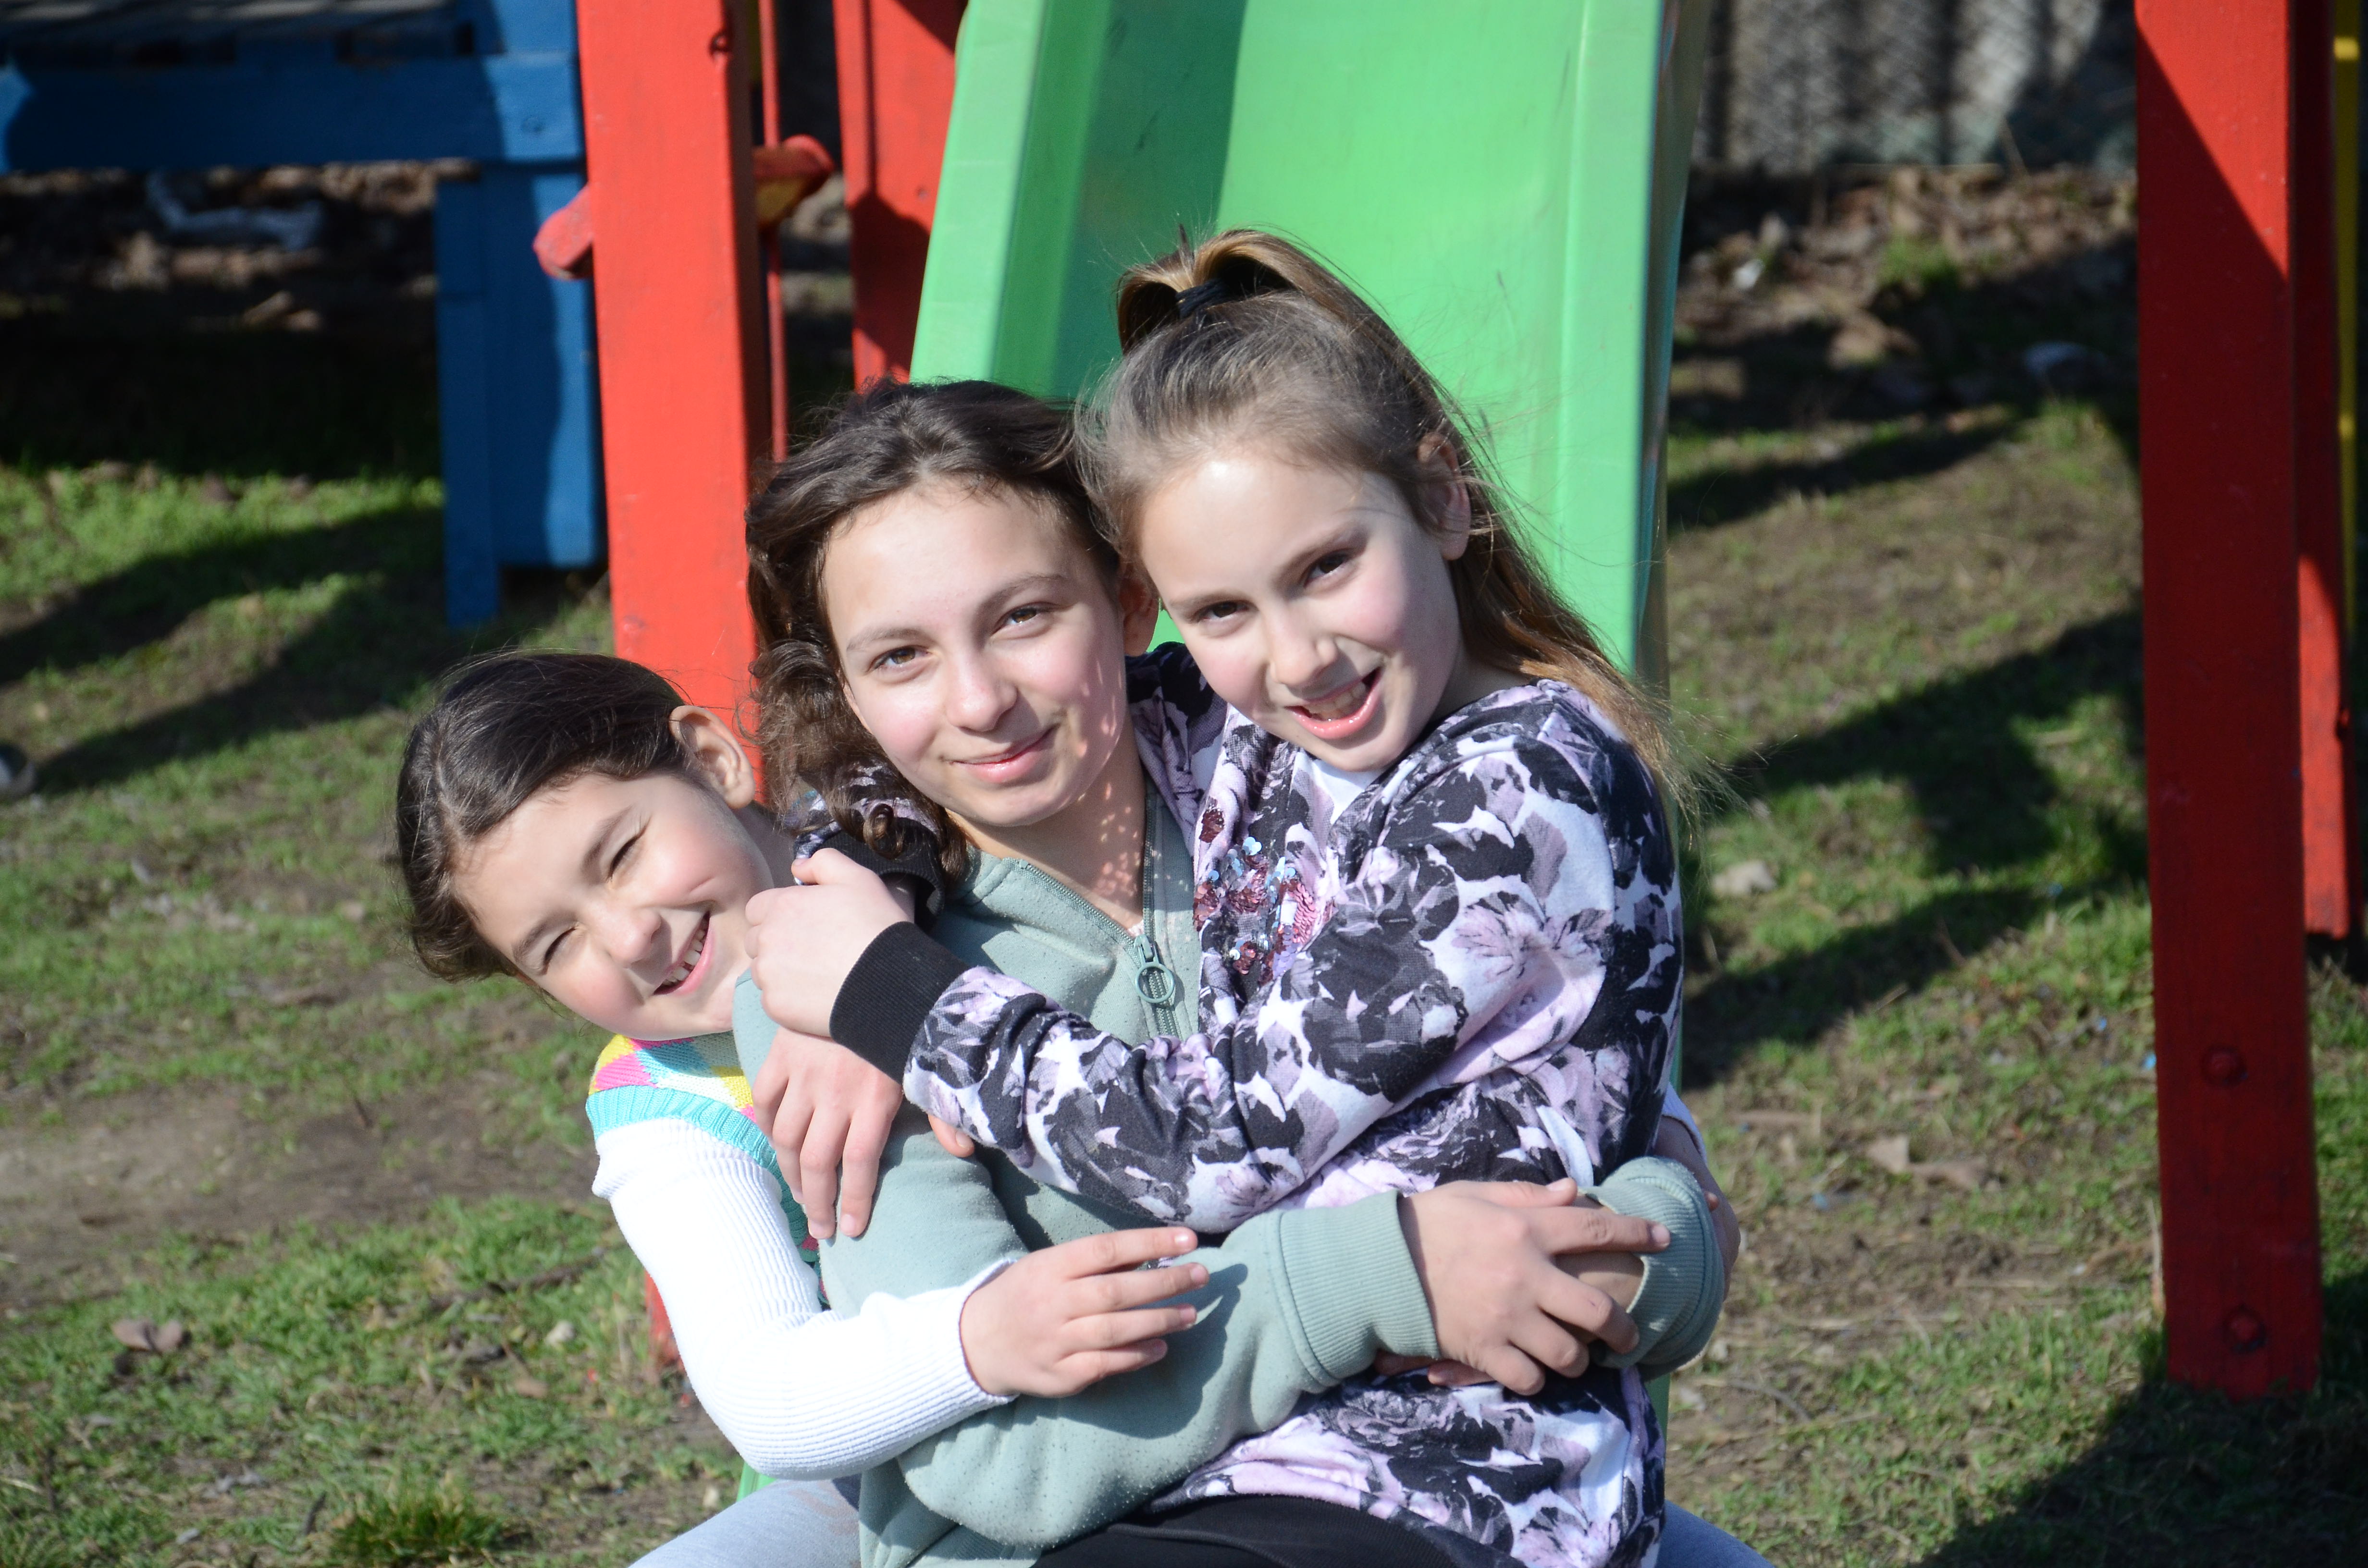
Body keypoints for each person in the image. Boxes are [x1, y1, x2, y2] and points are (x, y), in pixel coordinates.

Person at [747, 234, 1730, 1568]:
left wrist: (893, 1001)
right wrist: (848, 921)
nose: (981, 701)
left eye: (1028, 615)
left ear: (1120, 597)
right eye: (903, 656)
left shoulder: (1435, 775)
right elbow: (1003, 1465)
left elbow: (1216, 1141)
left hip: (1427, 1479)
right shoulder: (1223, 736)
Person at [388, 648, 1692, 1568]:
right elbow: (774, 1401)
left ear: (713, 755)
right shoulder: (668, 1117)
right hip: (922, 1478)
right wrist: (975, 1339)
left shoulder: (920, 841)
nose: (632, 936)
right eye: (554, 946)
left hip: (1267, 1384)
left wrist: (873, 965)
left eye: (620, 856)